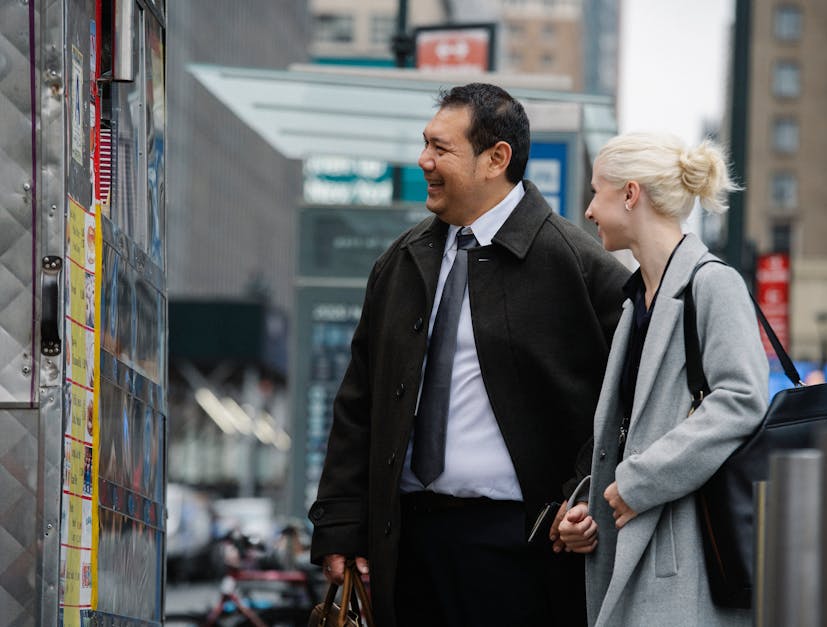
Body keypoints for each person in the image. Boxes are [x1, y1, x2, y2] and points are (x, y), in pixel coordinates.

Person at [307, 82, 629, 627]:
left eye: (441, 148)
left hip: (522, 552)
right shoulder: (402, 261)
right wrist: (341, 525)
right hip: (406, 544)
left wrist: (582, 493)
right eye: (424, 143)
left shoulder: (575, 264)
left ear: (495, 159)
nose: (423, 160)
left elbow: (632, 394)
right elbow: (359, 402)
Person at [558, 131, 769, 626]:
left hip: (686, 550)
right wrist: (587, 506)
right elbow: (631, 429)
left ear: (630, 194)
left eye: (597, 191)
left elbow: (742, 398)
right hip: (636, 543)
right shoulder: (637, 301)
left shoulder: (712, 282)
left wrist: (638, 483)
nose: (588, 210)